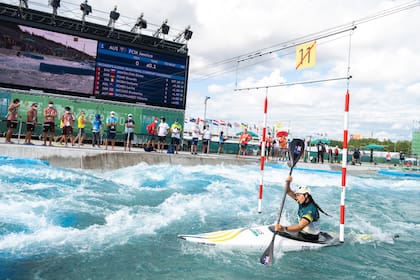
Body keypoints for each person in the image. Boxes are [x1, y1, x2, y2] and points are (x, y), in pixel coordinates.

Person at [275, 176, 330, 241]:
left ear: (306, 195)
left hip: (309, 238)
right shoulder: (302, 201)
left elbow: (300, 227)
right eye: (296, 195)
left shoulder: (310, 210)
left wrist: (283, 228)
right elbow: (288, 191)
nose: (296, 198)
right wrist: (288, 182)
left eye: (298, 195)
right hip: (302, 233)